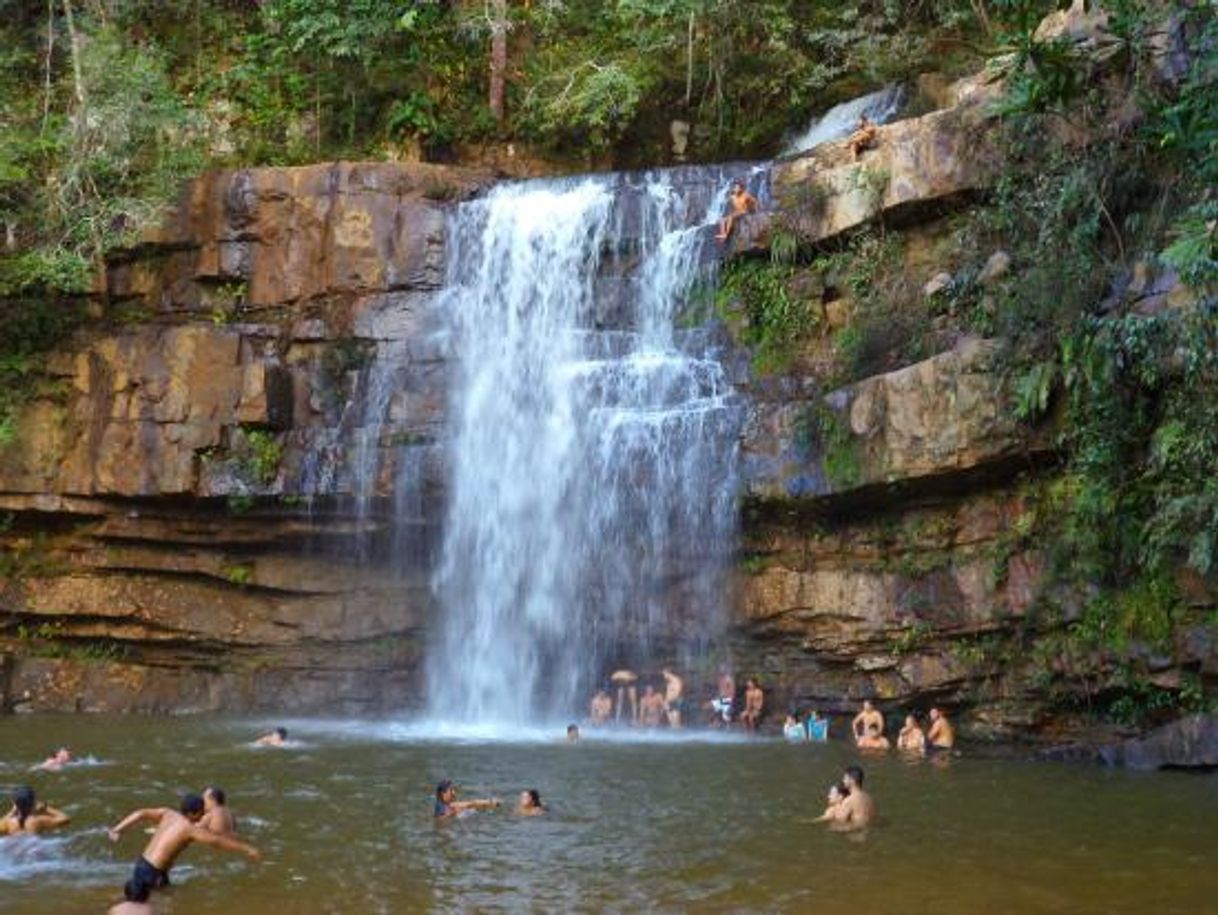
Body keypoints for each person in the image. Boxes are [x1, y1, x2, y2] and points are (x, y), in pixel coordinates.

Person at [108, 793, 261, 896]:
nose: (203, 816)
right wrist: (247, 848)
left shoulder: (167, 814)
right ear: (192, 813)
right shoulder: (189, 829)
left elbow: (141, 813)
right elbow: (216, 841)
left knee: (157, 898)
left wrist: (118, 829)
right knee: (153, 905)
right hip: (153, 873)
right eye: (201, 813)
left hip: (142, 864)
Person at [0, 786, 70, 836]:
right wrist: (45, 808)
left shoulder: (8, 822)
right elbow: (65, 819)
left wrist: (12, 811)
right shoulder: (39, 820)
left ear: (14, 803)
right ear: (33, 803)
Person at [832, 765, 876, 831]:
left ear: (852, 781)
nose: (843, 781)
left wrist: (834, 808)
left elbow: (840, 821)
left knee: (832, 827)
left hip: (855, 834)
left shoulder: (849, 800)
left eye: (845, 778)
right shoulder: (869, 798)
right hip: (867, 831)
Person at [433, 780, 499, 820]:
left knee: (472, 807)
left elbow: (470, 803)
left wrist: (488, 802)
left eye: (453, 790)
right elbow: (440, 820)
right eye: (451, 790)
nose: (453, 793)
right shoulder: (440, 806)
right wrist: (453, 813)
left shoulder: (448, 804)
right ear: (443, 793)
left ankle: (490, 803)